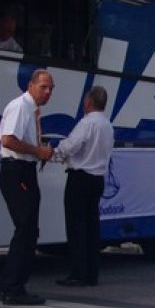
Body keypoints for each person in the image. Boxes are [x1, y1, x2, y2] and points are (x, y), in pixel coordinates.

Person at [0, 69, 55, 304]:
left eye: (50, 88)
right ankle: (13, 288)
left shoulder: (31, 110)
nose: (47, 92)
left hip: (25, 170)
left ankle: (11, 286)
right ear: (31, 85)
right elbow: (8, 140)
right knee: (25, 230)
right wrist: (37, 151)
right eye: (43, 87)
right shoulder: (21, 106)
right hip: (17, 170)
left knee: (29, 229)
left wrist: (39, 152)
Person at [54, 86, 115, 287]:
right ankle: (91, 273)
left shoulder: (87, 123)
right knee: (91, 227)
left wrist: (56, 152)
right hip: (97, 179)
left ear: (88, 101)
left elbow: (72, 145)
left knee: (76, 227)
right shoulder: (107, 125)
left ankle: (78, 273)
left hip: (80, 178)